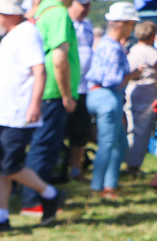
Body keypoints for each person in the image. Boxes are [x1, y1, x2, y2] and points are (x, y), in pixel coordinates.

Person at [0, 0, 66, 233]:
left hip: (17, 113)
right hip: (3, 113)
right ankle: (1, 215)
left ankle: (50, 194)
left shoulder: (27, 34)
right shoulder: (13, 35)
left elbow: (39, 69)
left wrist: (34, 104)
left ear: (10, 15)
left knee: (10, 165)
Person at [19, 0, 80, 217]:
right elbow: (59, 59)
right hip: (53, 92)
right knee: (44, 147)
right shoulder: (59, 13)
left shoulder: (44, 13)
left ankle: (34, 197)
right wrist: (66, 95)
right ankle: (33, 201)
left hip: (45, 91)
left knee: (40, 145)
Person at [86, 2, 141, 199]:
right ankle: (99, 187)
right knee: (108, 144)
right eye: (131, 24)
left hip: (99, 95)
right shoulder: (113, 48)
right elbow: (111, 80)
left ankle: (109, 184)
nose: (133, 28)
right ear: (121, 24)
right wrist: (132, 74)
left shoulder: (106, 44)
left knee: (118, 143)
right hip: (107, 97)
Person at [66, 0, 94, 183]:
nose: (84, 8)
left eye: (88, 4)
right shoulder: (64, 22)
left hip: (84, 87)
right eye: (81, 4)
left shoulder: (88, 24)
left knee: (80, 132)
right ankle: (59, 167)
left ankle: (76, 169)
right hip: (66, 87)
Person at [124, 21, 157, 174]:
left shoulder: (134, 48)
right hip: (146, 94)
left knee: (132, 129)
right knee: (142, 131)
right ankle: (133, 165)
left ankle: (129, 162)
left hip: (131, 90)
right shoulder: (150, 52)